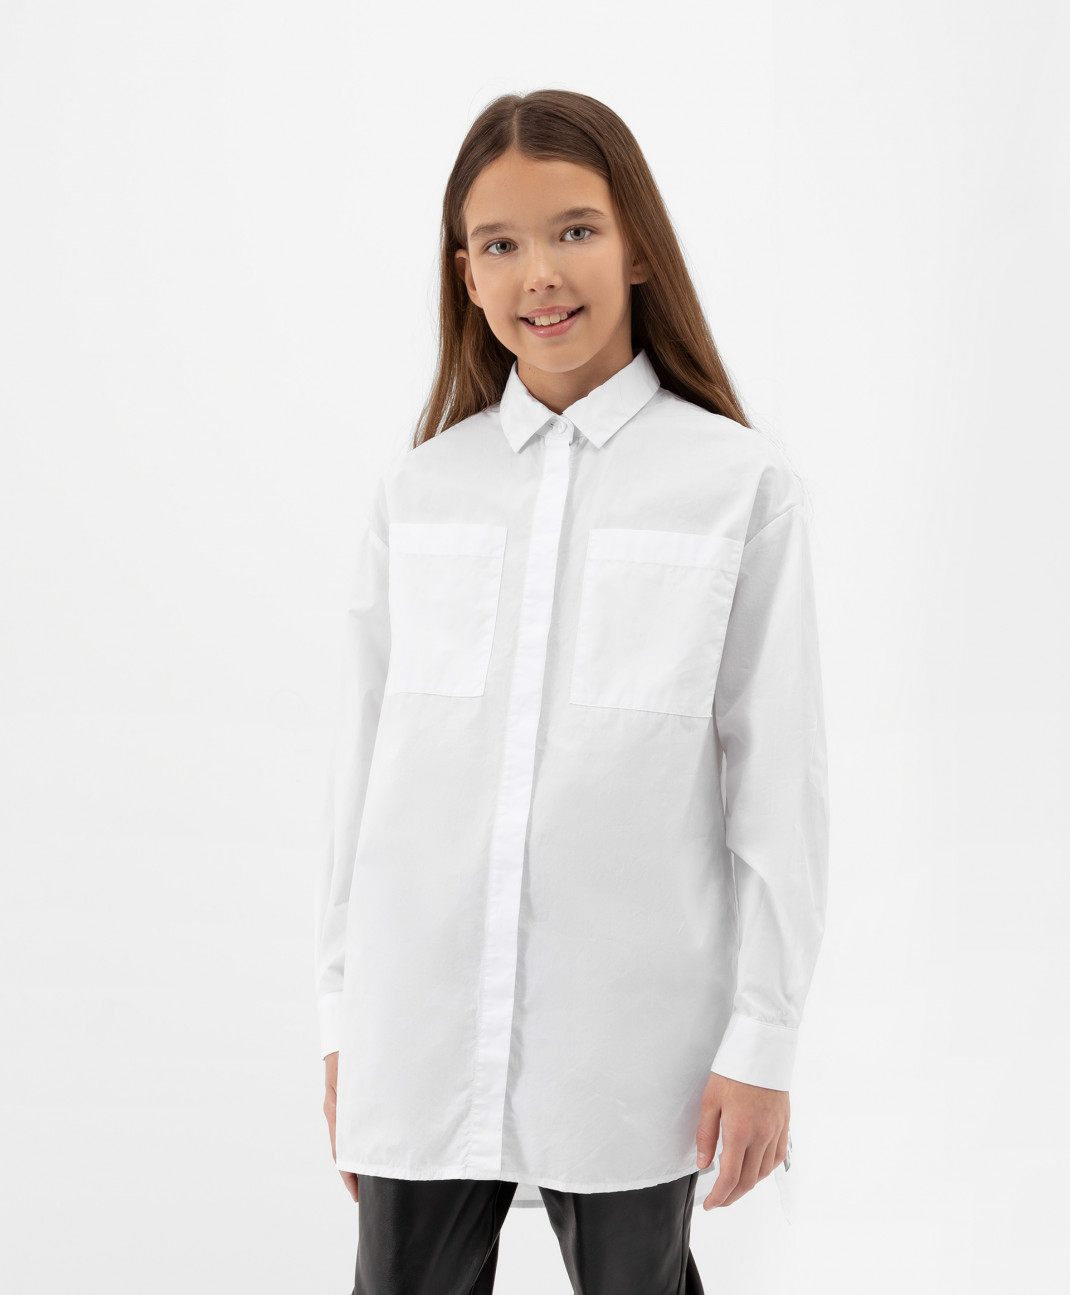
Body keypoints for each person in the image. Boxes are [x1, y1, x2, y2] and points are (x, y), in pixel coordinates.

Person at [314, 88, 830, 1295]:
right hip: (421, 1018)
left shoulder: (737, 486)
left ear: (636, 245)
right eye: (498, 244)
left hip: (631, 1037)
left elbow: (778, 780)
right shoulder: (417, 495)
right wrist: (342, 1017)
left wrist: (763, 1037)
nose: (538, 273)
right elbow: (361, 776)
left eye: (574, 230)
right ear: (465, 274)